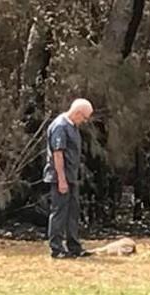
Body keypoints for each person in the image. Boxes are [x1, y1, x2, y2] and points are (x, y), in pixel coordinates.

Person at [42, 98, 93, 259]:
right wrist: (62, 179)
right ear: (77, 113)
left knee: (73, 212)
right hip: (60, 177)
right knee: (59, 212)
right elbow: (58, 155)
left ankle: (74, 246)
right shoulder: (60, 126)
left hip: (72, 176)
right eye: (84, 118)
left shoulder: (73, 126)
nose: (84, 121)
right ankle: (56, 248)